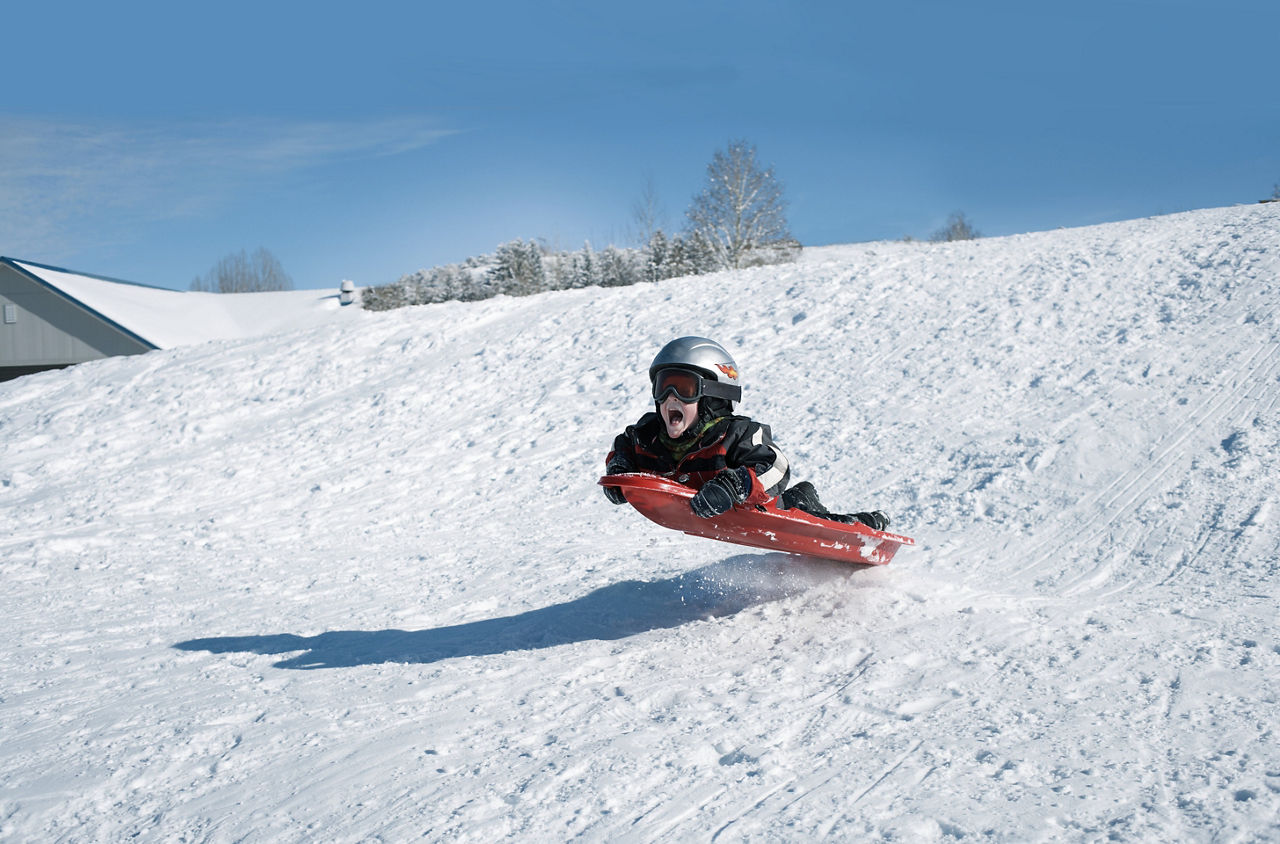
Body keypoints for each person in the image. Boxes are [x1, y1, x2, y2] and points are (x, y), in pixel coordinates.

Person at [603, 336, 889, 530]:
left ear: (713, 396)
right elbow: (624, 446)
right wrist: (620, 470)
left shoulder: (735, 434)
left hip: (766, 509)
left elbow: (776, 467)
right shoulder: (648, 436)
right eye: (662, 387)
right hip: (709, 508)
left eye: (684, 388)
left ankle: (861, 523)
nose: (670, 397)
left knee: (810, 518)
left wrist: (734, 485)